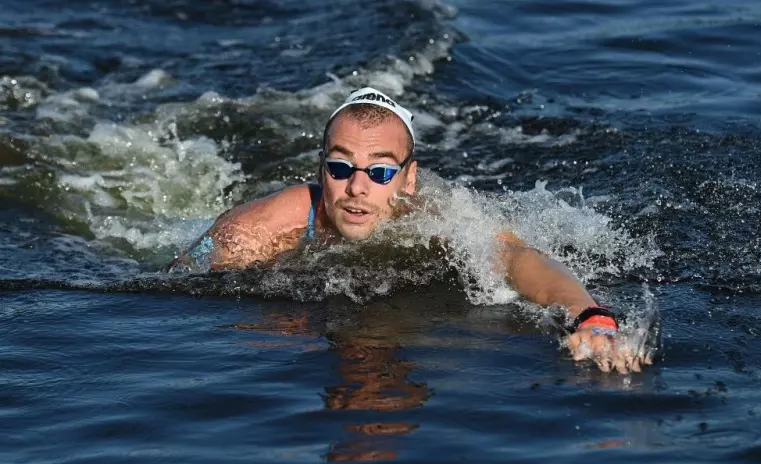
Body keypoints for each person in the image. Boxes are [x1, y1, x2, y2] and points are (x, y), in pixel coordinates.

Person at [169, 87, 651, 374]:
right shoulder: (264, 227)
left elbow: (516, 257)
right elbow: (180, 282)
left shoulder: (433, 214)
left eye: (380, 172)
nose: (357, 187)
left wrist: (590, 317)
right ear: (320, 170)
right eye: (340, 167)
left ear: (408, 178)